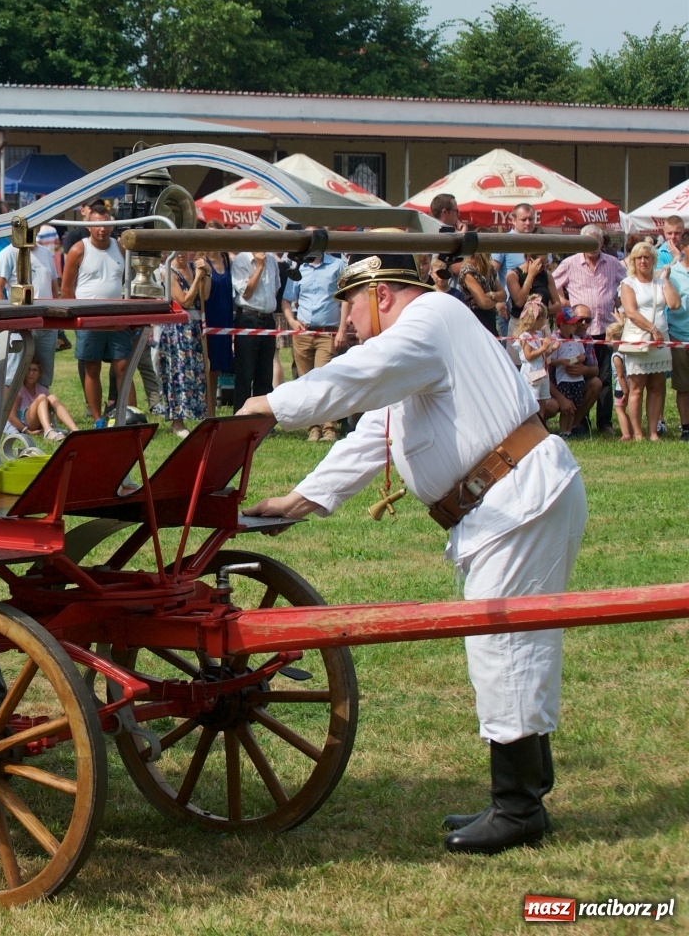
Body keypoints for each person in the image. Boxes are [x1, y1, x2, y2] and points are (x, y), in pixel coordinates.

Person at [239, 252, 586, 855]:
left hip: (517, 501)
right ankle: (525, 793)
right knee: (512, 646)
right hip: (511, 502)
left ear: (383, 294)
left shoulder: (431, 317)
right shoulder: (423, 344)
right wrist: (298, 501)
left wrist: (272, 405)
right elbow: (376, 434)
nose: (345, 323)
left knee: (503, 647)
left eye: (351, 305)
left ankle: (519, 808)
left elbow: (354, 378)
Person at [552, 225, 627, 434]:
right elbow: (553, 282)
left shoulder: (613, 263)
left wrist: (620, 304)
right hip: (579, 331)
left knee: (604, 379)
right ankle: (580, 421)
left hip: (605, 328)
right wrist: (563, 302)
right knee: (578, 376)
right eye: (588, 242)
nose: (593, 246)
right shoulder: (570, 263)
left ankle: (604, 422)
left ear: (602, 242)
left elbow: (628, 283)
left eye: (596, 242)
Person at [60, 205, 129, 424]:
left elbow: (127, 280)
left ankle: (129, 414)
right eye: (98, 224)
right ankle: (97, 417)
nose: (102, 229)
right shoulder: (78, 250)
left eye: (107, 224)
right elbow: (66, 289)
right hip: (88, 317)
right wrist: (74, 318)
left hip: (117, 316)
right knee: (92, 366)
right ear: (88, 226)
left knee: (123, 365)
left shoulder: (121, 247)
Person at [280, 249, 347, 442]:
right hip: (302, 333)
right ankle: (313, 427)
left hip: (328, 332)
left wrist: (342, 329)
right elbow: (286, 300)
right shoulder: (298, 268)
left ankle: (330, 428)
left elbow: (345, 299)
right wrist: (292, 322)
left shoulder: (338, 265)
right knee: (306, 381)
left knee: (325, 380)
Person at [616, 241, 680, 442]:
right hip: (639, 339)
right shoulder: (628, 283)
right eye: (639, 257)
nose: (643, 261)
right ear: (633, 261)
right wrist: (652, 329)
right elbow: (631, 312)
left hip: (660, 341)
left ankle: (653, 431)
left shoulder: (660, 282)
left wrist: (666, 279)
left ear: (653, 260)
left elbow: (674, 304)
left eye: (647, 257)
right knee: (636, 387)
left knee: (657, 386)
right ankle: (637, 433)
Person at [154, 250, 210, 437]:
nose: (181, 255)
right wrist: (198, 278)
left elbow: (205, 295)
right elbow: (185, 300)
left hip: (193, 328)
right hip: (177, 330)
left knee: (196, 372)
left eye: (184, 250)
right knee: (177, 373)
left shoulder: (194, 269)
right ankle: (177, 421)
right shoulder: (168, 272)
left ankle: (197, 414)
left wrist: (205, 274)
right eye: (176, 251)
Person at [0, 235, 58, 389]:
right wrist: (10, 320)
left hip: (47, 324)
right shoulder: (7, 253)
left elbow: (54, 288)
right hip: (20, 324)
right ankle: (9, 412)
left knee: (44, 374)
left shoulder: (46, 253)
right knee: (12, 374)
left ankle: (38, 411)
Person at [229, 243, 280, 412]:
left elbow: (276, 287)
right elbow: (246, 292)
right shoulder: (241, 260)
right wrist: (259, 267)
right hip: (248, 319)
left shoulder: (272, 259)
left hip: (268, 320)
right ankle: (240, 417)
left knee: (265, 373)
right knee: (245, 372)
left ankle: (261, 418)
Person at [200, 223, 233, 418]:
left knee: (217, 369)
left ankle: (211, 409)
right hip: (210, 317)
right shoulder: (203, 262)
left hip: (225, 318)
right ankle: (207, 411)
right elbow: (204, 296)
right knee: (207, 367)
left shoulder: (227, 259)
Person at [550, 306, 600, 437]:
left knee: (596, 383)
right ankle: (548, 428)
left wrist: (584, 369)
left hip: (577, 381)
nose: (583, 324)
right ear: (563, 324)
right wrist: (561, 399)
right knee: (557, 406)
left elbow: (595, 369)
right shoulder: (554, 340)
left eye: (587, 320)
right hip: (556, 385)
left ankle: (571, 428)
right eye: (579, 320)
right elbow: (546, 370)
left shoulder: (584, 339)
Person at [9, 355, 76, 442]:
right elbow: (11, 416)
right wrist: (27, 431)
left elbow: (52, 407)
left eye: (35, 370)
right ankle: (48, 431)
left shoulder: (42, 389)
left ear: (40, 373)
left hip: (40, 422)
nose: (31, 373)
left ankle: (74, 430)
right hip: (26, 422)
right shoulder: (20, 389)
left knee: (52, 397)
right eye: (28, 370)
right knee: (42, 397)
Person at [664, 236, 689, 440]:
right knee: (683, 385)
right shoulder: (673, 273)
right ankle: (686, 427)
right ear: (683, 248)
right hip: (679, 335)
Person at [603, 315, 639, 441]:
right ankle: (632, 431)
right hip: (629, 385)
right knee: (625, 410)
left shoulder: (616, 357)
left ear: (614, 338)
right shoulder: (625, 353)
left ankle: (626, 434)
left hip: (621, 387)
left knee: (619, 410)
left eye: (608, 336)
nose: (605, 338)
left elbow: (620, 376)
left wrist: (625, 391)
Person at [454, 251, 505, 337]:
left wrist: (490, 295)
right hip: (475, 319)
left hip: (491, 319)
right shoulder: (468, 271)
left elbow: (504, 295)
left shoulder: (490, 269)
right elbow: (483, 303)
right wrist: (496, 300)